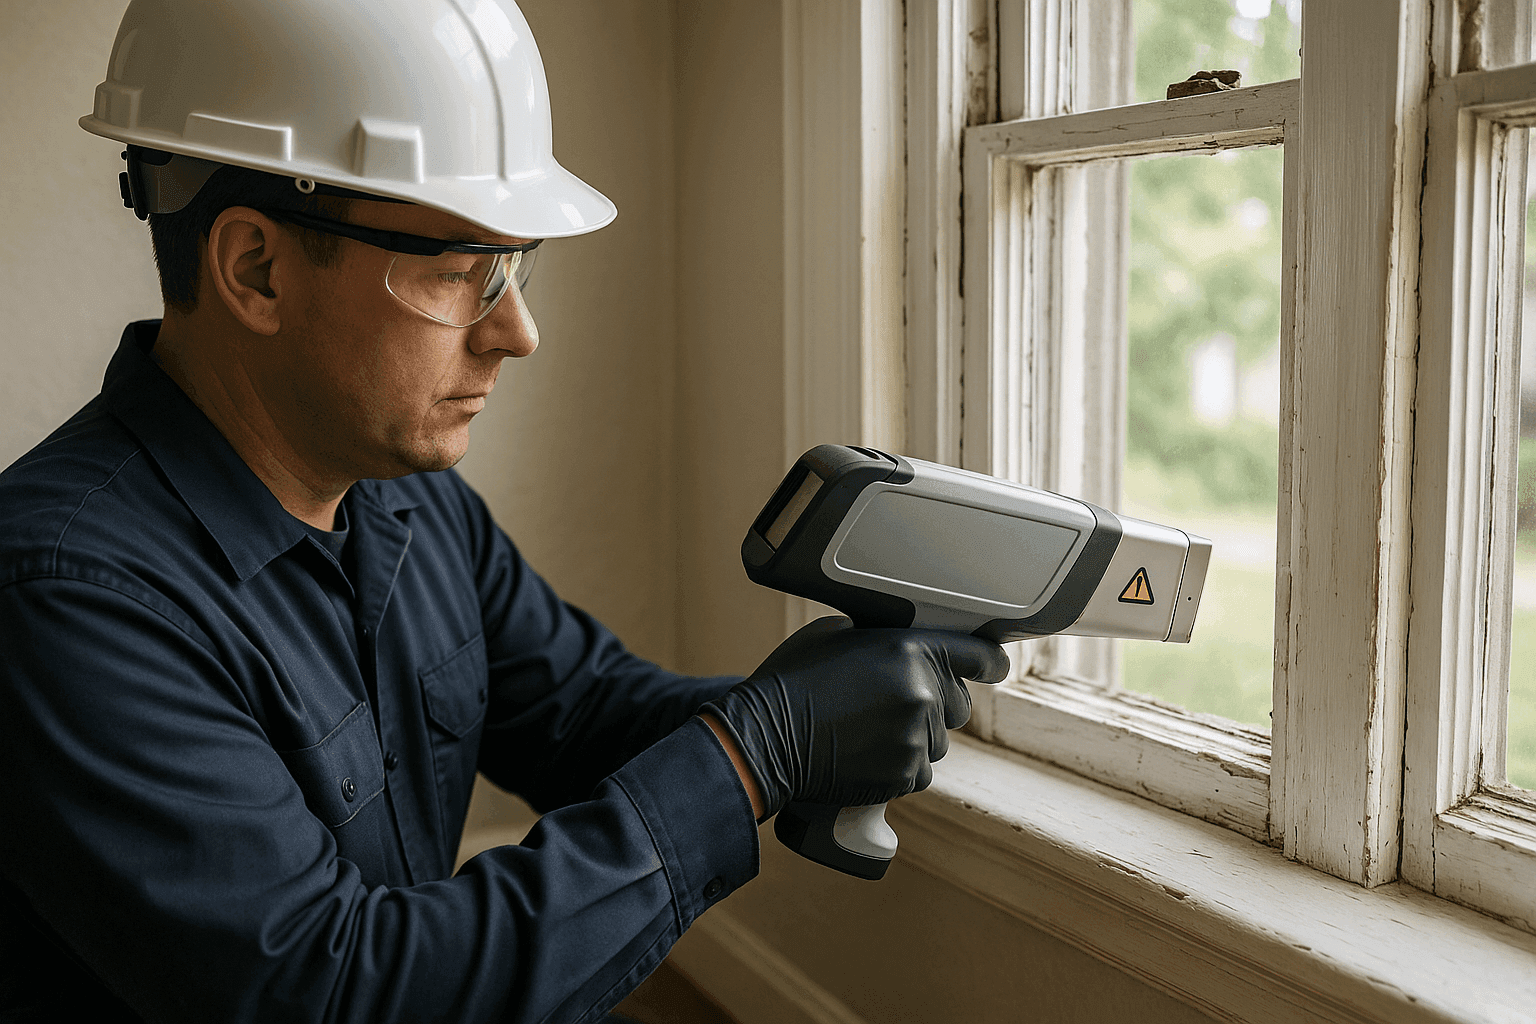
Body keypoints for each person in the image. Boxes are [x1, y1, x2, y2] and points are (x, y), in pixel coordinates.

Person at [0, 2, 1010, 1022]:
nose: (518, 332)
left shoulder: (409, 503)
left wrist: (811, 704)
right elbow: (336, 991)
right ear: (255, 268)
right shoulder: (64, 599)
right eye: (462, 272)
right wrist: (756, 752)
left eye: (517, 265)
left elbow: (583, 713)